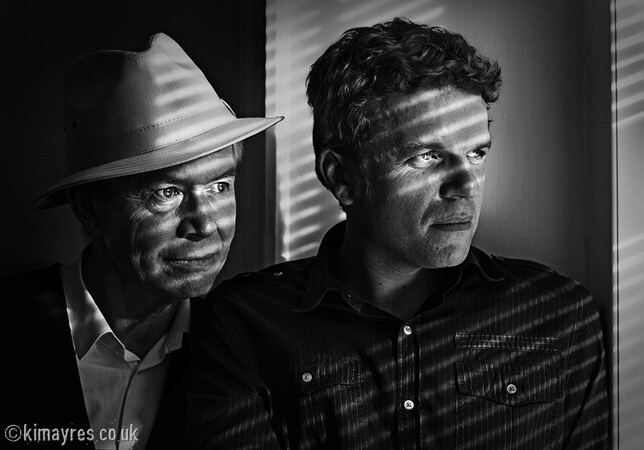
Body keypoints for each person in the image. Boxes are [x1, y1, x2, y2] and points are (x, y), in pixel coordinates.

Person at [185, 18, 609, 449]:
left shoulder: (557, 314)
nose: (466, 186)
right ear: (342, 177)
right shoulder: (244, 324)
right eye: (427, 157)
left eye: (476, 153)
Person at [0, 33, 282, 450]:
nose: (204, 225)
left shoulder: (244, 349)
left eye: (219, 186)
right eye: (167, 193)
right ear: (90, 208)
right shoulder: (6, 325)